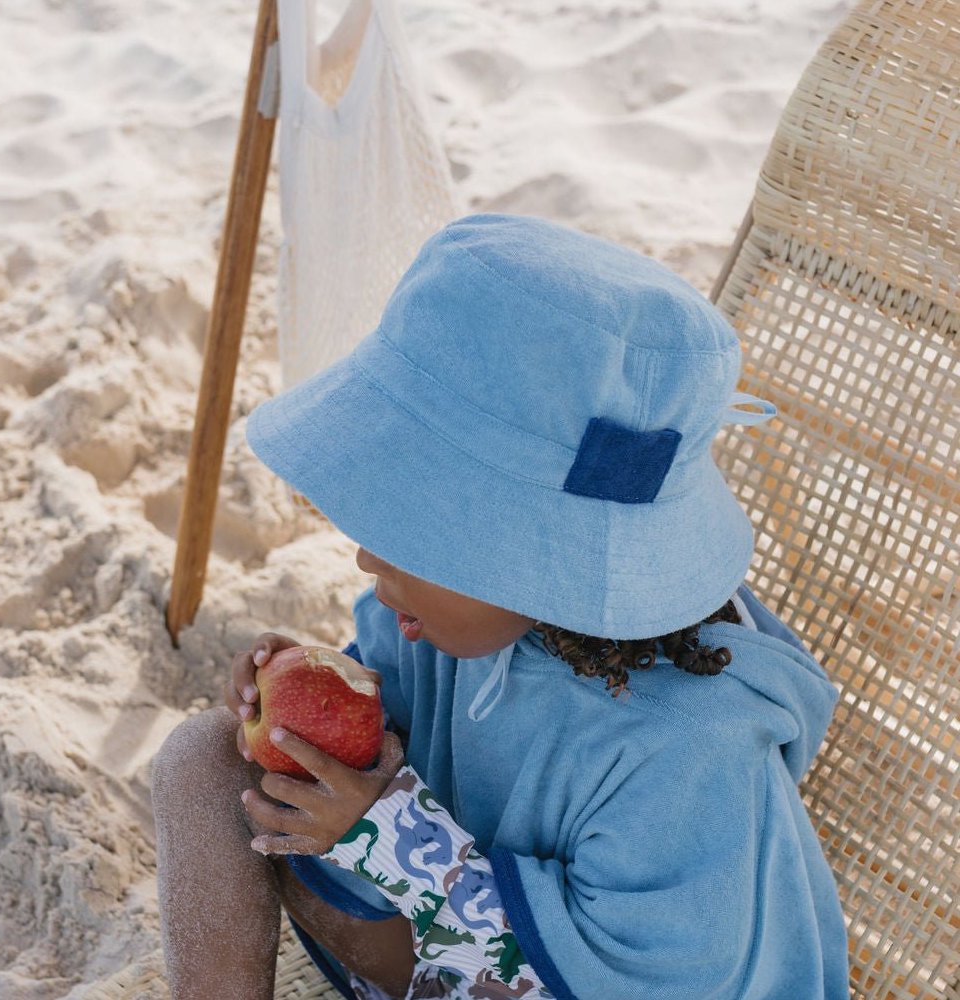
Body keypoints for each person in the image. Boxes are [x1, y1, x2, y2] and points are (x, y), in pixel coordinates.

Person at [151, 214, 851, 999]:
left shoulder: (688, 748)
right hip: (446, 943)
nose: (367, 557)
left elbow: (646, 977)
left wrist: (388, 840)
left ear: (539, 556)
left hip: (577, 982)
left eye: (416, 531)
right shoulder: (450, 615)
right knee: (205, 758)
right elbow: (400, 736)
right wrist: (313, 716)